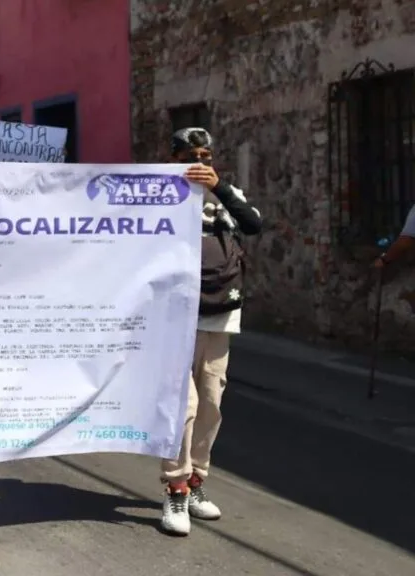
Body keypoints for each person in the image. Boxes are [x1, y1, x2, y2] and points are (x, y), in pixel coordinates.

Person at [160, 127, 262, 536]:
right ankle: (176, 488)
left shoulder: (224, 195)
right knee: (181, 407)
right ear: (173, 158)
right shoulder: (159, 194)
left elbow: (253, 225)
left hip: (220, 315)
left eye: (205, 155)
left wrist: (220, 189)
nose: (200, 163)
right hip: (175, 319)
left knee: (210, 402)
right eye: (190, 155)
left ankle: (198, 481)